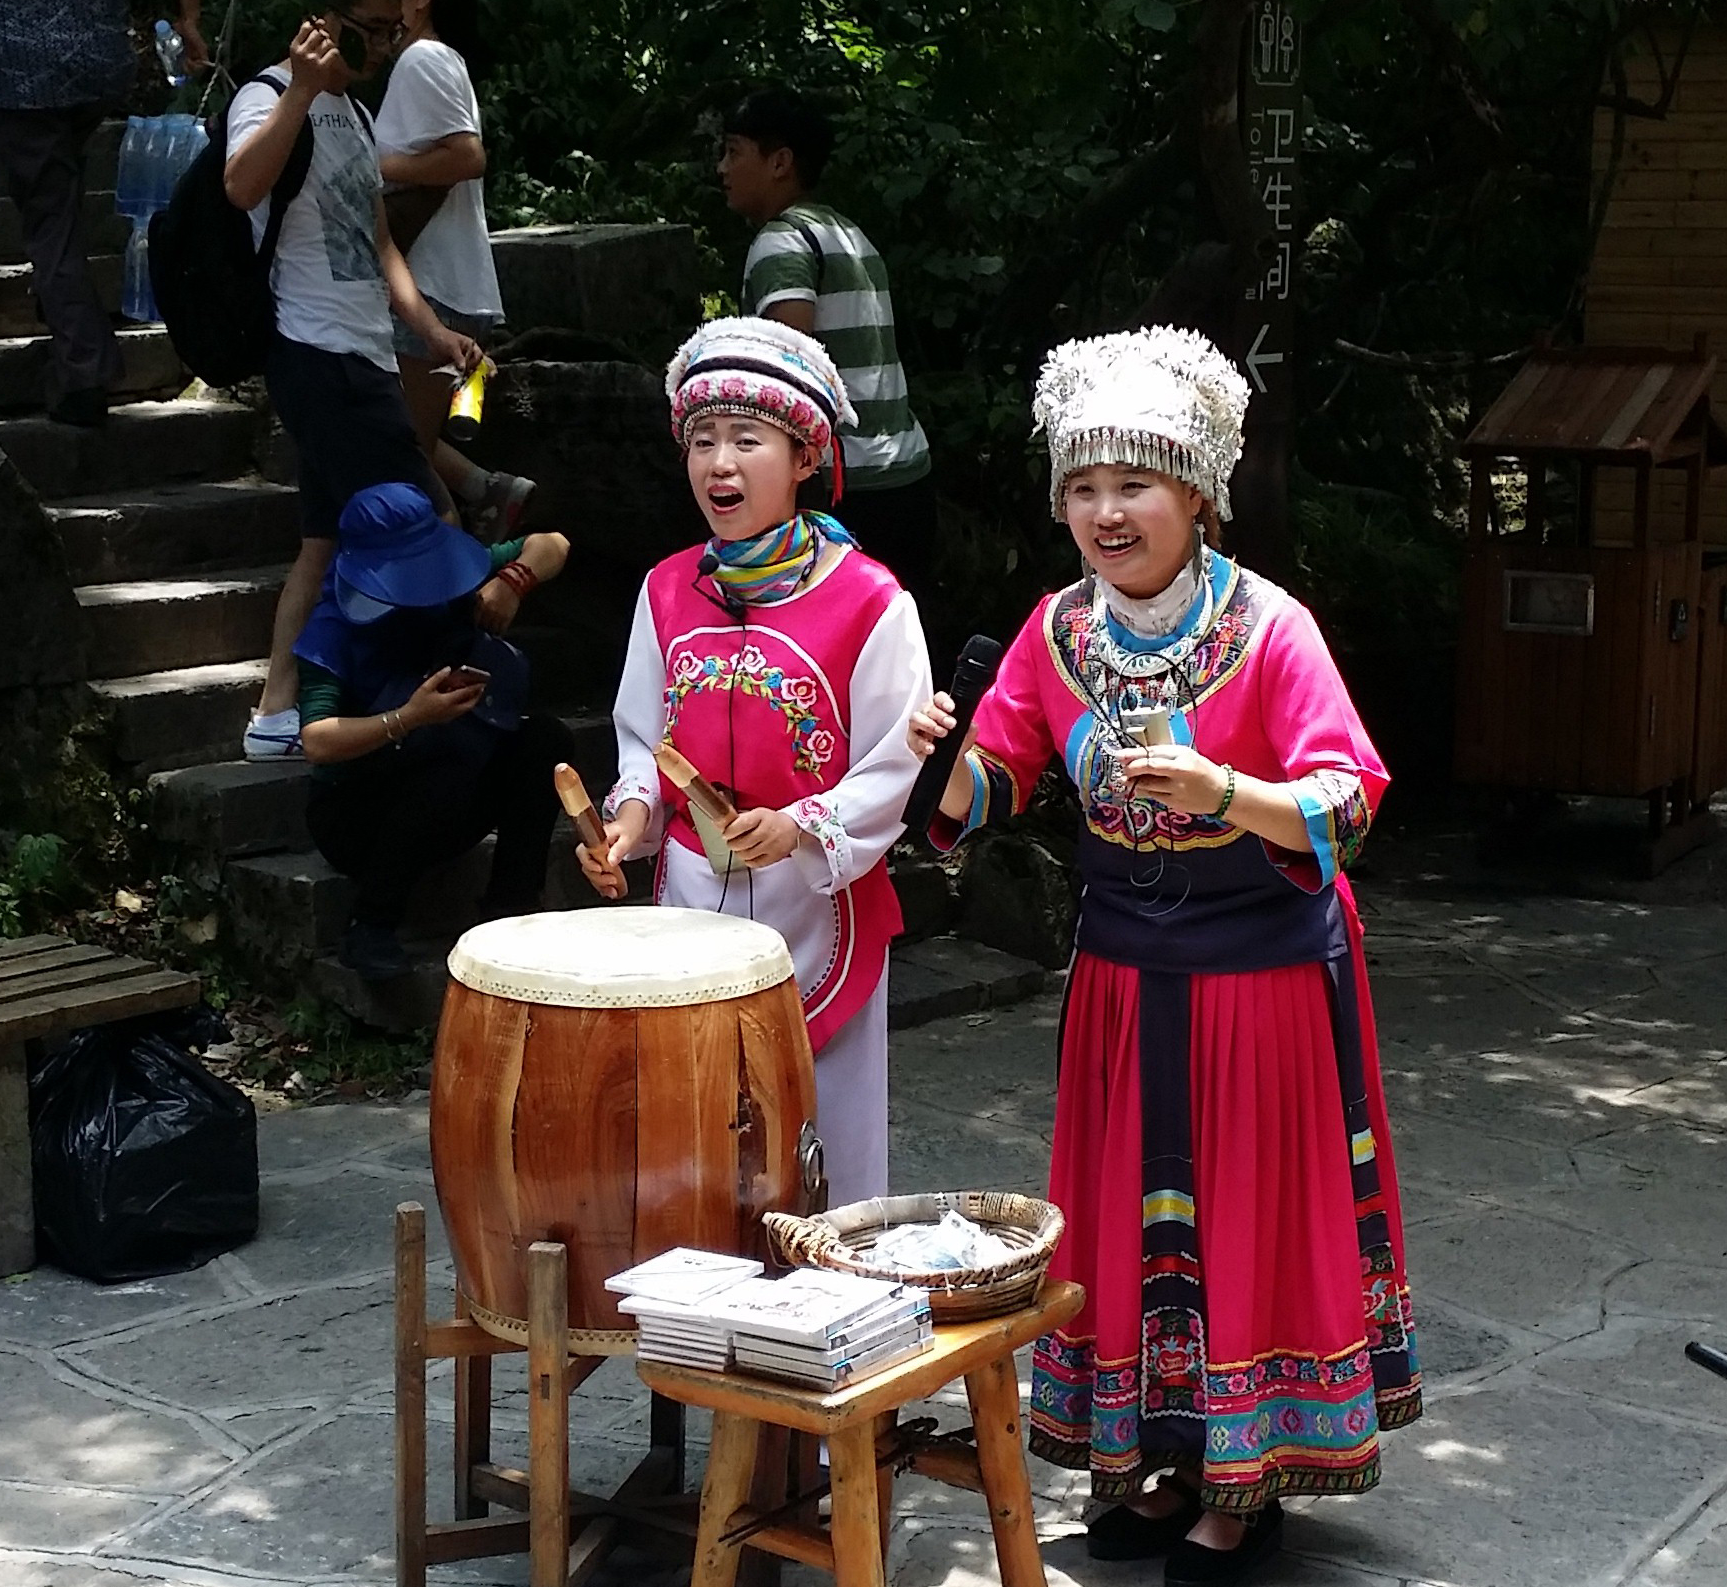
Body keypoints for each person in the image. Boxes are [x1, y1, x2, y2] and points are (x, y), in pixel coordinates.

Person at [908, 327, 1421, 1585]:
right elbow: (992, 787)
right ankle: (1157, 1461)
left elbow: (1349, 800)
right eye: (1081, 487)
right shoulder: (1055, 632)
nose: (1104, 511)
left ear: (1198, 492)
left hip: (1263, 980)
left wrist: (1225, 788)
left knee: (1241, 1213)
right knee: (1140, 1219)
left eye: (1133, 482)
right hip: (1126, 978)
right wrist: (942, 754)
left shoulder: (1272, 628)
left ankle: (1244, 1483)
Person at [577, 317, 932, 1205]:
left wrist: (803, 824)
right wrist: (626, 824)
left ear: (804, 455)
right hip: (692, 906)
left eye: (747, 440)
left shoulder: (871, 602)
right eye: (703, 441)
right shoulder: (665, 590)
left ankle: (837, 1327)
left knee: (829, 1171)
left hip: (819, 909)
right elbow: (640, 741)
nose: (719, 464)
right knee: (696, 1166)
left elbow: (896, 766)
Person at [227, 8, 485, 761]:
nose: (383, 42)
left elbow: (378, 241)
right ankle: (439, 693)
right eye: (367, 27)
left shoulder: (359, 114)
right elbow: (242, 186)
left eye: (387, 27)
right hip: (314, 351)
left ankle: (275, 711)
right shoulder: (267, 96)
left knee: (322, 539)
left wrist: (431, 331)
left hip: (366, 347)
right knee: (437, 526)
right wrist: (299, 93)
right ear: (321, 23)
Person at [296, 482, 571, 980]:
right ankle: (371, 924)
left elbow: (554, 543)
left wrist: (513, 580)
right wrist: (409, 716)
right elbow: (317, 741)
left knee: (545, 741)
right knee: (446, 756)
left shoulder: (451, 573)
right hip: (360, 813)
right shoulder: (331, 628)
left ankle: (510, 912)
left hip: (455, 776)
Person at [719, 87, 937, 600]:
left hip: (845, 489)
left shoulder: (781, 241)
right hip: (906, 471)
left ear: (780, 162)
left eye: (733, 151)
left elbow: (790, 365)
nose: (722, 169)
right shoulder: (849, 233)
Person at [0, 0, 202, 427]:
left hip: (22, 70)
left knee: (49, 218)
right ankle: (60, 309)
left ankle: (84, 370)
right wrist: (190, 20)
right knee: (57, 193)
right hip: (99, 61)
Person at [374, 0, 536, 539]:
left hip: (432, 291)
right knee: (398, 445)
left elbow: (466, 157)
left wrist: (366, 165)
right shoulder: (423, 60)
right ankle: (485, 492)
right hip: (439, 289)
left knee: (398, 457)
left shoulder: (424, 59)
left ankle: (457, 554)